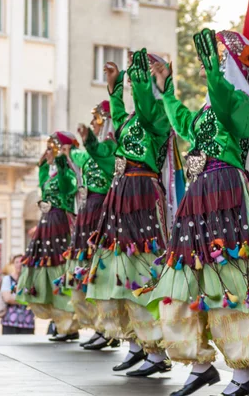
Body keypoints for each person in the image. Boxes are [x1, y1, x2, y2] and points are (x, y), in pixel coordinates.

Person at [148, 29, 249, 396]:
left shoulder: (239, 102)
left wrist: (212, 71)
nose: (218, 63)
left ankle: (243, 375)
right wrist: (165, 89)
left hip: (225, 194)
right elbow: (182, 123)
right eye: (216, 59)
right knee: (186, 280)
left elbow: (224, 99)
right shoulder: (209, 112)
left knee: (230, 280)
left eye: (223, 59)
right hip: (198, 200)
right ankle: (200, 366)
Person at [82, 49, 174, 375]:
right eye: (139, 73)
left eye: (146, 73)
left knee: (144, 269)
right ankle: (136, 344)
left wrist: (142, 80)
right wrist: (114, 87)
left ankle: (157, 351)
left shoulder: (159, 114)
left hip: (142, 196)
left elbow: (148, 107)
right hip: (120, 196)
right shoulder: (134, 120)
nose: (139, 79)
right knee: (121, 271)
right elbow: (119, 118)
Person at [59, 102, 118, 350]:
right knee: (86, 271)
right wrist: (65, 153)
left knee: (100, 270)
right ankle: (99, 326)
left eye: (98, 119)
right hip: (88, 211)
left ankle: (108, 329)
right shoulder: (90, 154)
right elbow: (79, 155)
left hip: (102, 209)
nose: (94, 124)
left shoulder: (111, 146)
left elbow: (99, 158)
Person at [16, 132, 79, 341]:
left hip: (60, 223)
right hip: (47, 223)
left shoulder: (68, 171)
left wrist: (61, 162)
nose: (48, 152)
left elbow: (67, 188)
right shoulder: (51, 171)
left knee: (60, 268)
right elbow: (44, 187)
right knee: (46, 268)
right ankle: (59, 322)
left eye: (52, 148)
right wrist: (42, 166)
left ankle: (68, 324)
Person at [1, 255, 35, 334]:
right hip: (10, 322)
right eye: (16, 262)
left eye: (22, 262)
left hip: (27, 323)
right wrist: (25, 300)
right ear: (13, 264)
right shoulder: (8, 279)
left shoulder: (30, 279)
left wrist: (16, 298)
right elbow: (7, 298)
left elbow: (34, 297)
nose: (19, 264)